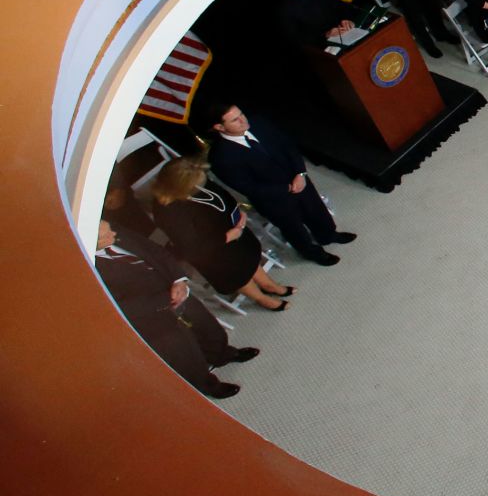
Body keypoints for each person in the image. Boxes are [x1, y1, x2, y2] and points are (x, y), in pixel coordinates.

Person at [94, 218, 257, 400]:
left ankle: (221, 354)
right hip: (147, 314)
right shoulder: (91, 272)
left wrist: (179, 280)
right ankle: (208, 384)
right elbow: (121, 305)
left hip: (171, 286)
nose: (114, 234)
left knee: (207, 325)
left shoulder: (113, 230)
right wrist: (167, 299)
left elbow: (154, 251)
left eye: (110, 229)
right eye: (106, 235)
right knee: (183, 352)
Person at [205, 104, 356, 267]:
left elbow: (288, 146)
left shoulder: (259, 123)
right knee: (294, 229)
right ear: (220, 127)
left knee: (316, 209)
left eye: (241, 114)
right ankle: (313, 253)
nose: (243, 120)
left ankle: (328, 235)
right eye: (235, 120)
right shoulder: (220, 157)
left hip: (298, 179)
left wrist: (300, 173)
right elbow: (247, 187)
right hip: (273, 199)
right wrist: (287, 188)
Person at [150, 156, 293, 310]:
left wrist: (237, 212)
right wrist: (228, 237)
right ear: (181, 187)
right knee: (239, 275)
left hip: (233, 232)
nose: (203, 183)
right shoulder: (169, 213)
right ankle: (262, 298)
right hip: (214, 252)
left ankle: (268, 285)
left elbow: (219, 195)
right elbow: (192, 248)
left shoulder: (194, 181)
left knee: (249, 260)